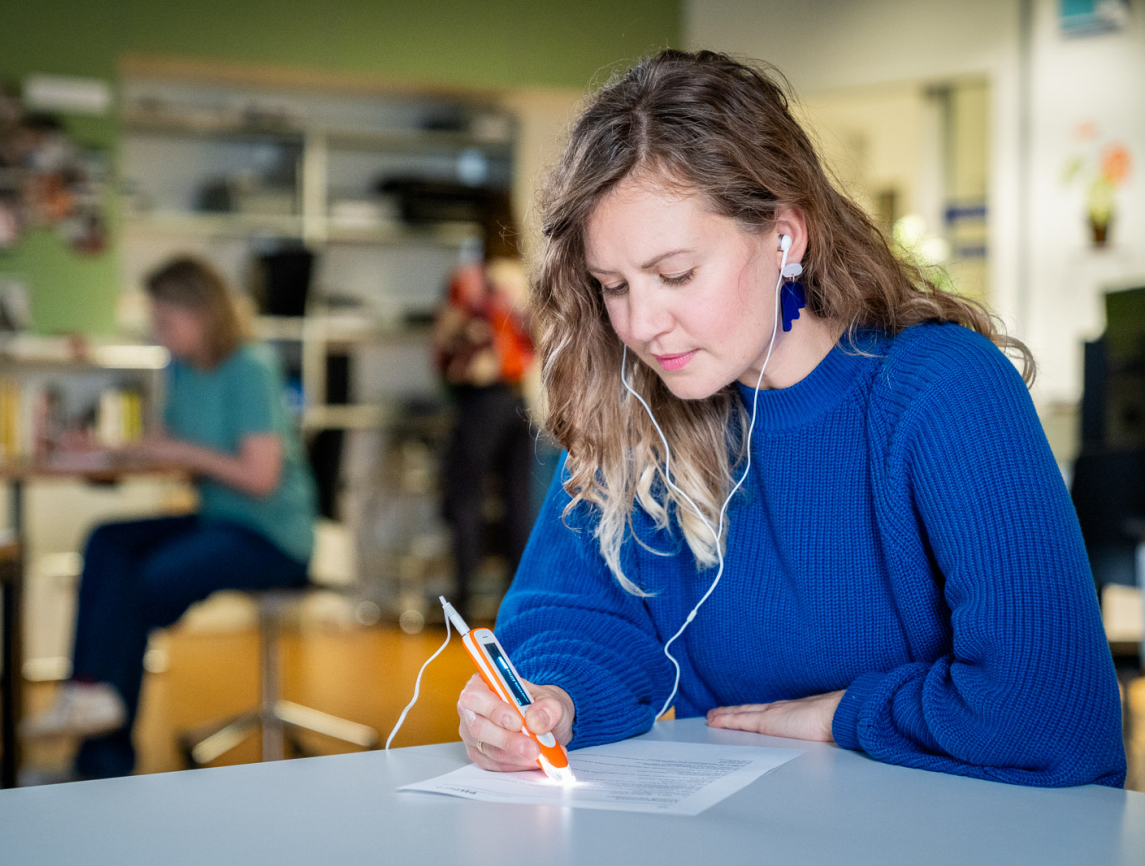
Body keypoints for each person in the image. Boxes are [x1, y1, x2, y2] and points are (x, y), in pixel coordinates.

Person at [455, 50, 1126, 788]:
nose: (642, 323)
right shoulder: (640, 406)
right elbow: (572, 621)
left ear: (785, 236)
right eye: (613, 286)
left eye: (676, 274)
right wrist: (549, 703)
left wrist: (846, 716)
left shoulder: (941, 392)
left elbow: (1052, 713)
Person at [26, 257, 318, 778]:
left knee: (139, 584)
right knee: (106, 542)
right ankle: (91, 703)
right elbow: (170, 451)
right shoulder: (181, 370)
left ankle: (99, 745)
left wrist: (186, 455)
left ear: (202, 313)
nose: (159, 332)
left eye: (166, 319)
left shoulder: (250, 367)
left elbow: (260, 477)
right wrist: (104, 454)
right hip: (217, 519)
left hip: (270, 535)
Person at [435, 192, 537, 619]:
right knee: (518, 502)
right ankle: (520, 602)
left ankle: (463, 597)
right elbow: (540, 338)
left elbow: (444, 337)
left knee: (465, 497)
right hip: (519, 397)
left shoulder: (471, 279)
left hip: (480, 400)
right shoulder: (528, 278)